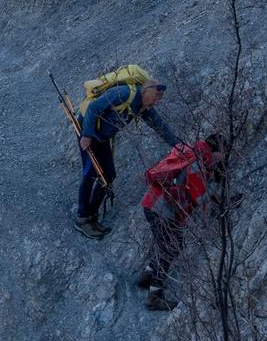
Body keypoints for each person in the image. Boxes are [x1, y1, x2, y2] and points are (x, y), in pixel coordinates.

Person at [75, 74, 180, 238]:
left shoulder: (143, 106)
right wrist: (86, 135)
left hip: (101, 138)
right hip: (88, 131)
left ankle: (92, 216)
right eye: (154, 98)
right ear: (145, 90)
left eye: (158, 100)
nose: (155, 103)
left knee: (109, 175)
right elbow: (94, 108)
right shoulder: (124, 93)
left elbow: (159, 125)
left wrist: (177, 145)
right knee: (90, 173)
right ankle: (82, 219)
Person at [135, 135, 219, 310]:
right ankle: (154, 296)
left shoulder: (190, 151)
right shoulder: (200, 162)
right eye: (223, 154)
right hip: (164, 211)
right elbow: (200, 197)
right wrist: (214, 184)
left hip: (152, 204)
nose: (223, 158)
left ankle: (148, 274)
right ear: (217, 151)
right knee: (171, 247)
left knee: (169, 244)